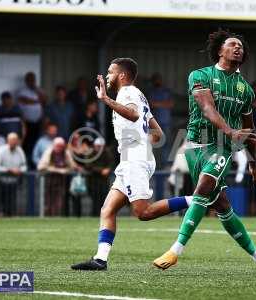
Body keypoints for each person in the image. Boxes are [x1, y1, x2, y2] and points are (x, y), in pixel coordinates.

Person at [153, 30, 256, 275]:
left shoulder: (246, 90)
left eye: (241, 46)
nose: (238, 48)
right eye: (232, 44)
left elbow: (250, 129)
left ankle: (175, 250)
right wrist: (232, 131)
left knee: (203, 187)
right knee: (221, 205)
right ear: (220, 50)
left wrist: (252, 162)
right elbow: (208, 109)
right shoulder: (200, 75)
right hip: (194, 146)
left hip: (221, 146)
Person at [71, 58, 194, 271]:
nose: (107, 76)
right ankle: (100, 259)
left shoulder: (127, 92)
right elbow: (158, 134)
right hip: (134, 155)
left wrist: (105, 99)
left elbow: (134, 114)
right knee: (107, 209)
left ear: (122, 75)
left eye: (110, 72)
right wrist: (142, 143)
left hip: (135, 156)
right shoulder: (139, 95)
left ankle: (196, 199)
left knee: (143, 212)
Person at [37, 137, 77, 216]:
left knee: (59, 201)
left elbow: (72, 166)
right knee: (48, 201)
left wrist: (66, 170)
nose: (60, 148)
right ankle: (47, 217)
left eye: (61, 146)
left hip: (61, 182)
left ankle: (57, 216)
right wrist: (58, 170)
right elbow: (41, 167)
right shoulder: (49, 152)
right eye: (58, 146)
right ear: (54, 145)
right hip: (49, 181)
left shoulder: (66, 153)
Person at [0, 133, 27, 216]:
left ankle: (10, 215)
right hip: (0, 180)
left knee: (11, 201)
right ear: (7, 141)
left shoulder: (20, 151)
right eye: (12, 140)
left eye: (15, 140)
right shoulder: (0, 150)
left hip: (14, 181)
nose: (14, 142)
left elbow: (24, 166)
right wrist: (9, 170)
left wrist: (19, 170)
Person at [17, 72, 46, 163]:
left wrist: (37, 91)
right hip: (27, 122)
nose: (31, 81)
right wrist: (37, 100)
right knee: (26, 143)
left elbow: (44, 100)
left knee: (36, 142)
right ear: (26, 81)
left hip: (38, 121)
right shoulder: (22, 90)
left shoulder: (39, 90)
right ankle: (26, 161)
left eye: (33, 80)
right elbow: (24, 100)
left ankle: (34, 161)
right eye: (29, 80)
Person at [82, 137, 114, 216]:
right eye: (97, 146)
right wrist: (101, 170)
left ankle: (102, 214)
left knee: (103, 197)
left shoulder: (107, 152)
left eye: (100, 146)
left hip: (103, 180)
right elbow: (88, 165)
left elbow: (111, 163)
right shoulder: (90, 153)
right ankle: (94, 214)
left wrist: (108, 169)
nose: (98, 148)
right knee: (94, 198)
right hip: (92, 179)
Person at [148, 72, 174, 167]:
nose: (157, 81)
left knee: (167, 143)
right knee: (153, 144)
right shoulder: (152, 91)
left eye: (158, 79)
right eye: (155, 79)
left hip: (166, 122)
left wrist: (158, 104)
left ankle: (165, 163)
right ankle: (153, 164)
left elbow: (171, 104)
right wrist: (164, 104)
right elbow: (151, 104)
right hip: (155, 122)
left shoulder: (167, 91)